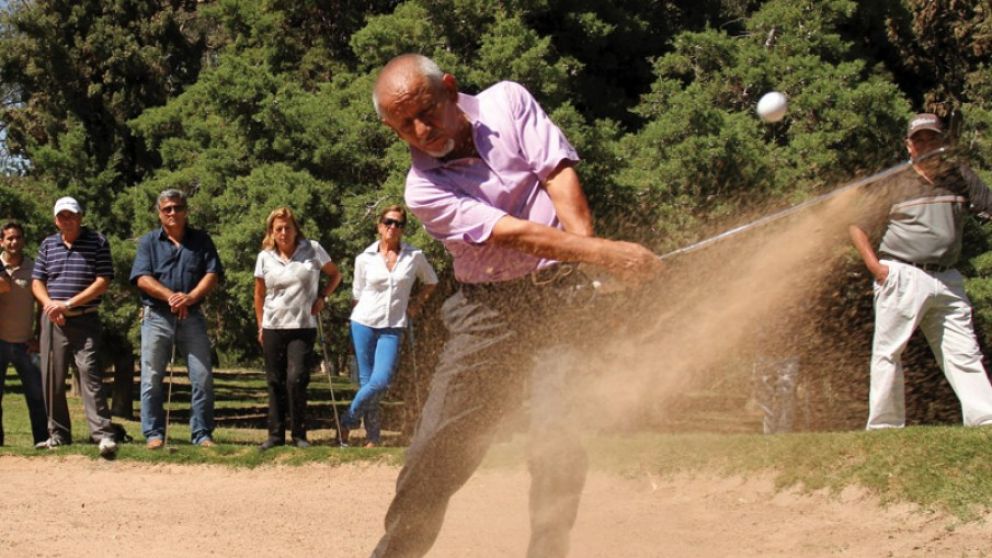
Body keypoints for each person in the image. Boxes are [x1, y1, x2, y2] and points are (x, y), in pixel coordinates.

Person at [368, 53, 661, 557]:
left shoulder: (508, 101)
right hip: (488, 314)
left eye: (425, 112)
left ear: (450, 89)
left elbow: (557, 174)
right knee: (435, 451)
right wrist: (603, 254)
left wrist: (586, 256)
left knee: (558, 441)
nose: (420, 130)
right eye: (404, 126)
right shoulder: (423, 189)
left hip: (561, 303)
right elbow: (516, 235)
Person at [849, 112, 992, 429]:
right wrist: (876, 268)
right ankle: (885, 426)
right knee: (889, 352)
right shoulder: (894, 182)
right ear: (909, 146)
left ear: (943, 143)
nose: (926, 144)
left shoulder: (960, 177)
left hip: (948, 277)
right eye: (919, 139)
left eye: (932, 138)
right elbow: (857, 226)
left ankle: (985, 420)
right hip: (902, 274)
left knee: (964, 351)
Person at [130, 189, 224, 448]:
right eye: (167, 209)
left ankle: (202, 434)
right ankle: (153, 434)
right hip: (156, 316)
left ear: (186, 210)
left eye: (178, 208)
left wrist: (190, 298)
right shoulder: (149, 242)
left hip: (192, 316)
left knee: (202, 377)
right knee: (151, 377)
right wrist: (171, 296)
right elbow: (142, 277)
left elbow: (212, 273)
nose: (173, 213)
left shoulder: (201, 239)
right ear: (159, 213)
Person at [340, 204, 438, 448]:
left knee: (381, 381)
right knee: (367, 383)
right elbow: (357, 293)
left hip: (393, 326)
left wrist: (416, 304)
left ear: (403, 229)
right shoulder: (364, 258)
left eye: (399, 223)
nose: (393, 227)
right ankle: (373, 437)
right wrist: (356, 317)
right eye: (388, 222)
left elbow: (431, 281)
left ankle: (346, 420)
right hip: (363, 322)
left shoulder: (414, 256)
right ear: (379, 225)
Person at [31, 197, 118, 457]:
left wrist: (67, 304)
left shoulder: (97, 241)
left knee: (89, 373)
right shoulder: (48, 244)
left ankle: (102, 435)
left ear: (80, 216)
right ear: (56, 219)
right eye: (61, 216)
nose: (66, 220)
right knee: (52, 378)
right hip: (53, 320)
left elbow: (103, 281)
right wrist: (50, 306)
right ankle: (58, 434)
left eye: (71, 215)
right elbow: (38, 281)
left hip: (84, 318)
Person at [253, 207, 342, 450]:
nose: (283, 232)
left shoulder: (312, 249)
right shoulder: (264, 257)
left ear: (295, 228)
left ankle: (299, 434)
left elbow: (336, 275)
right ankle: (275, 435)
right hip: (273, 326)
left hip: (303, 325)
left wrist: (323, 296)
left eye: (287, 227)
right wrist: (260, 325)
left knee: (297, 378)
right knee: (275, 380)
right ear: (271, 232)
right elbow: (259, 295)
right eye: (278, 228)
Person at [0, 221, 48, 446]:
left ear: (24, 240)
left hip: (25, 343)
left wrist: (38, 337)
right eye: (9, 238)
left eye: (18, 237)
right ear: (2, 241)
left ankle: (41, 439)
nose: (14, 242)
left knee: (36, 396)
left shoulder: (34, 268)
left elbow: (41, 306)